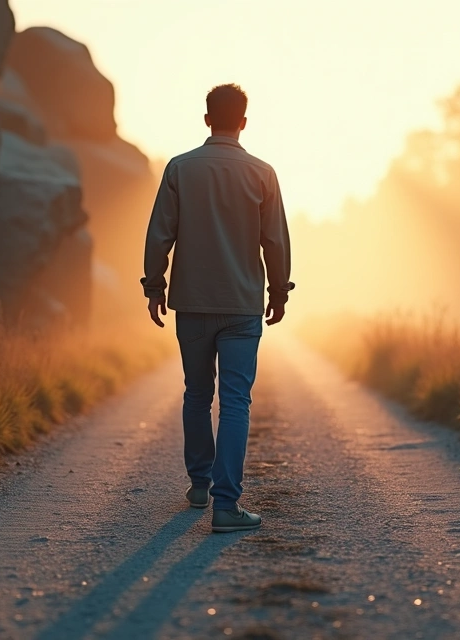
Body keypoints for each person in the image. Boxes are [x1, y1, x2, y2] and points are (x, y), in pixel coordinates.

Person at [141, 84, 294, 533]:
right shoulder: (262, 173)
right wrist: (279, 291)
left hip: (191, 302)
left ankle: (198, 485)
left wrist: (154, 286)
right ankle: (226, 506)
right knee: (235, 403)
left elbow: (159, 234)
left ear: (207, 119)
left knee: (195, 393)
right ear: (244, 122)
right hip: (242, 305)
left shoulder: (179, 169)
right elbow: (276, 241)